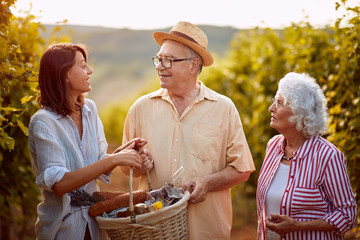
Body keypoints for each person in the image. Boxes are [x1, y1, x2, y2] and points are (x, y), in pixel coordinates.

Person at [121, 21, 255, 239]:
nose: (159, 66)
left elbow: (242, 169)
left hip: (207, 231)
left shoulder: (223, 108)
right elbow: (126, 169)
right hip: (155, 232)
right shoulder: (140, 108)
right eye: (159, 59)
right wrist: (136, 163)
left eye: (169, 60)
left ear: (193, 66)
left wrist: (207, 182)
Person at [28, 43, 153, 240]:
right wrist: (111, 161)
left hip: (95, 224)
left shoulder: (89, 110)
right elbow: (59, 184)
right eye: (83, 65)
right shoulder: (43, 121)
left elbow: (98, 160)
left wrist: (120, 156)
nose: (90, 70)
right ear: (64, 75)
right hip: (62, 228)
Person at [256, 72, 357, 239]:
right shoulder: (273, 146)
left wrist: (298, 226)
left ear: (299, 113)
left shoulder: (328, 156)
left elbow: (348, 214)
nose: (271, 108)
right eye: (274, 101)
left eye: (279, 103)